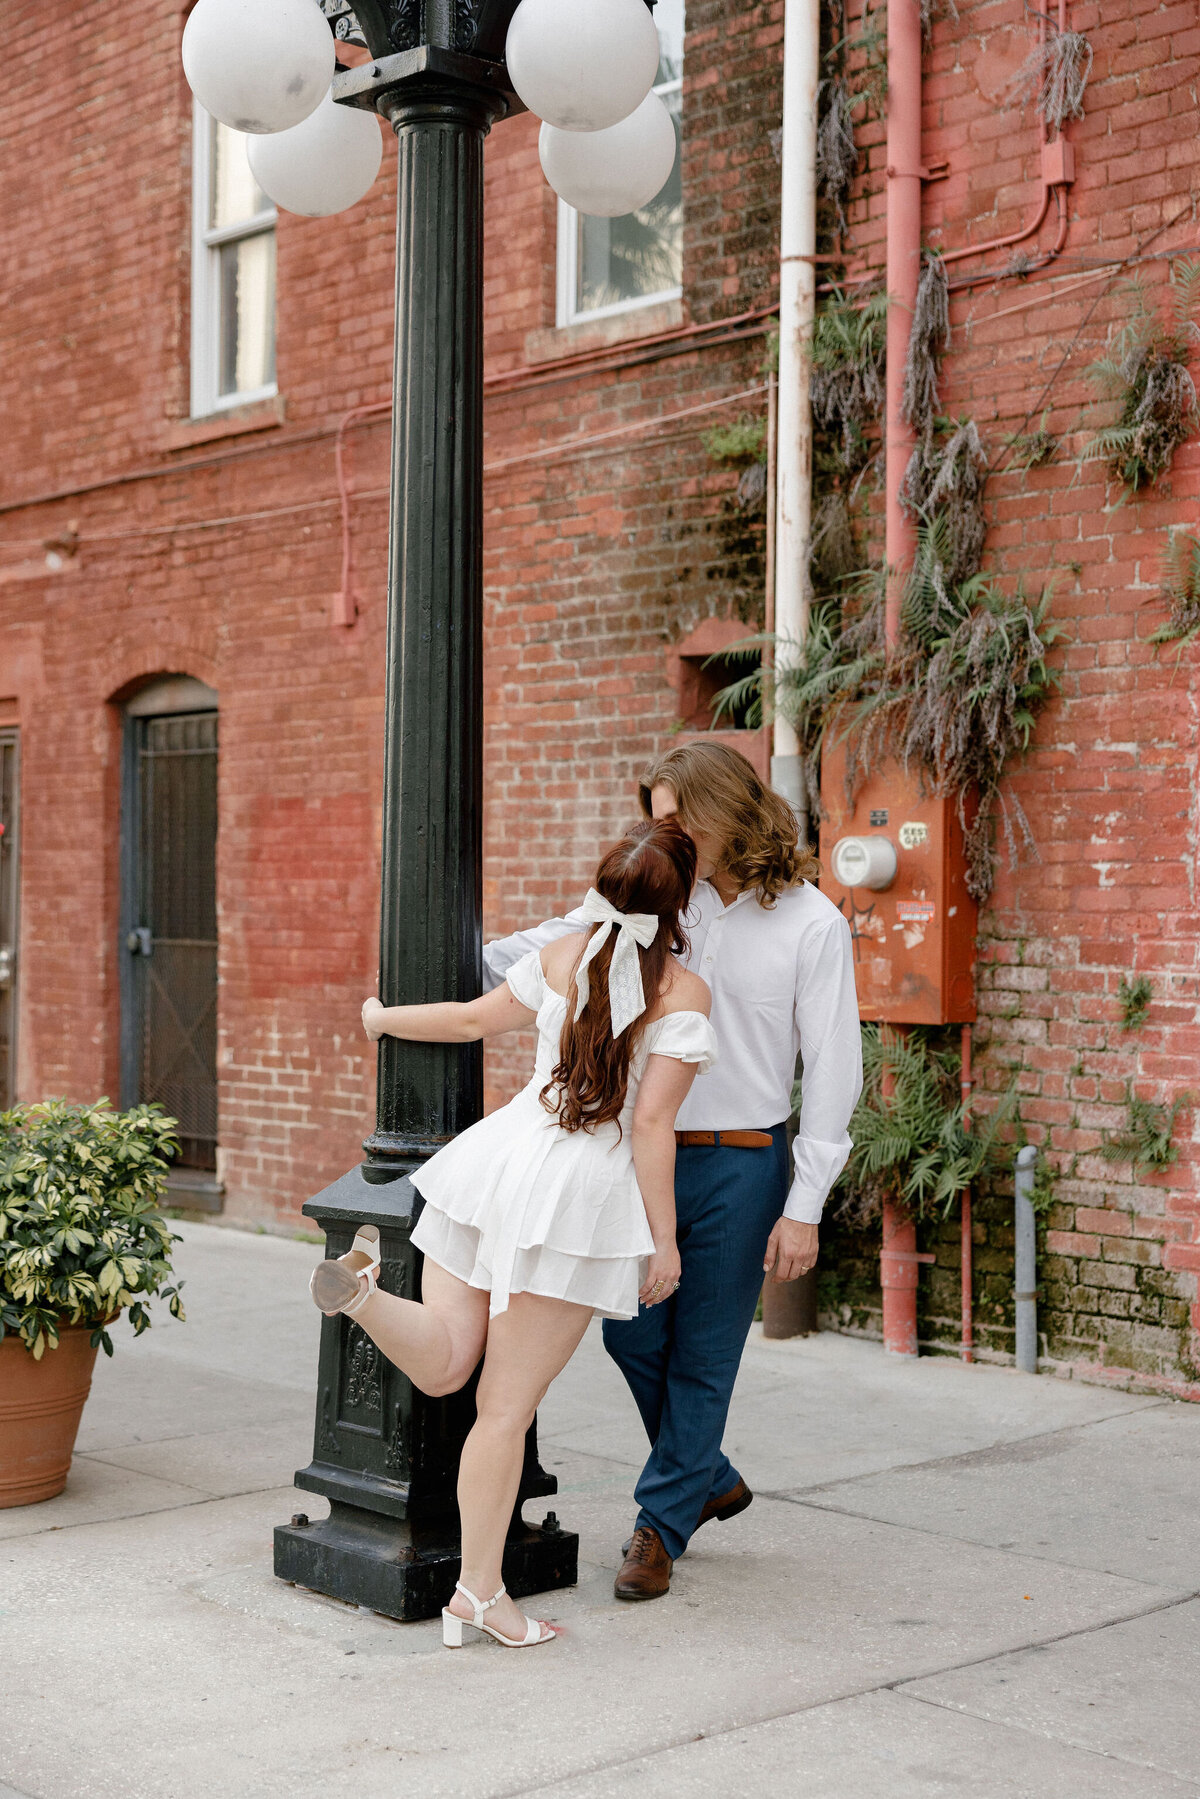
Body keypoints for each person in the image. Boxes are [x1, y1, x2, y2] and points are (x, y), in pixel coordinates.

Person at [309, 818, 716, 1650]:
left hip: (495, 1163)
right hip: (575, 1199)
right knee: (501, 1408)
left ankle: (359, 1294)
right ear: (679, 908)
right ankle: (480, 1595)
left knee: (449, 1361)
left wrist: (382, 1018)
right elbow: (650, 1129)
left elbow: (465, 1020)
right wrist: (663, 1242)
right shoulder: (684, 994)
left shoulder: (563, 956)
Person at [484, 740, 862, 1601]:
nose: (663, 837)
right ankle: (706, 1470)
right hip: (637, 1157)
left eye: (675, 820)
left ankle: (659, 1525)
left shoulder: (812, 924)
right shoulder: (663, 901)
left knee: (703, 1355)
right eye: (656, 821)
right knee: (629, 1330)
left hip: (743, 1165)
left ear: (726, 813)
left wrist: (805, 1204)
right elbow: (564, 939)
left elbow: (835, 1068)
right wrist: (464, 952)